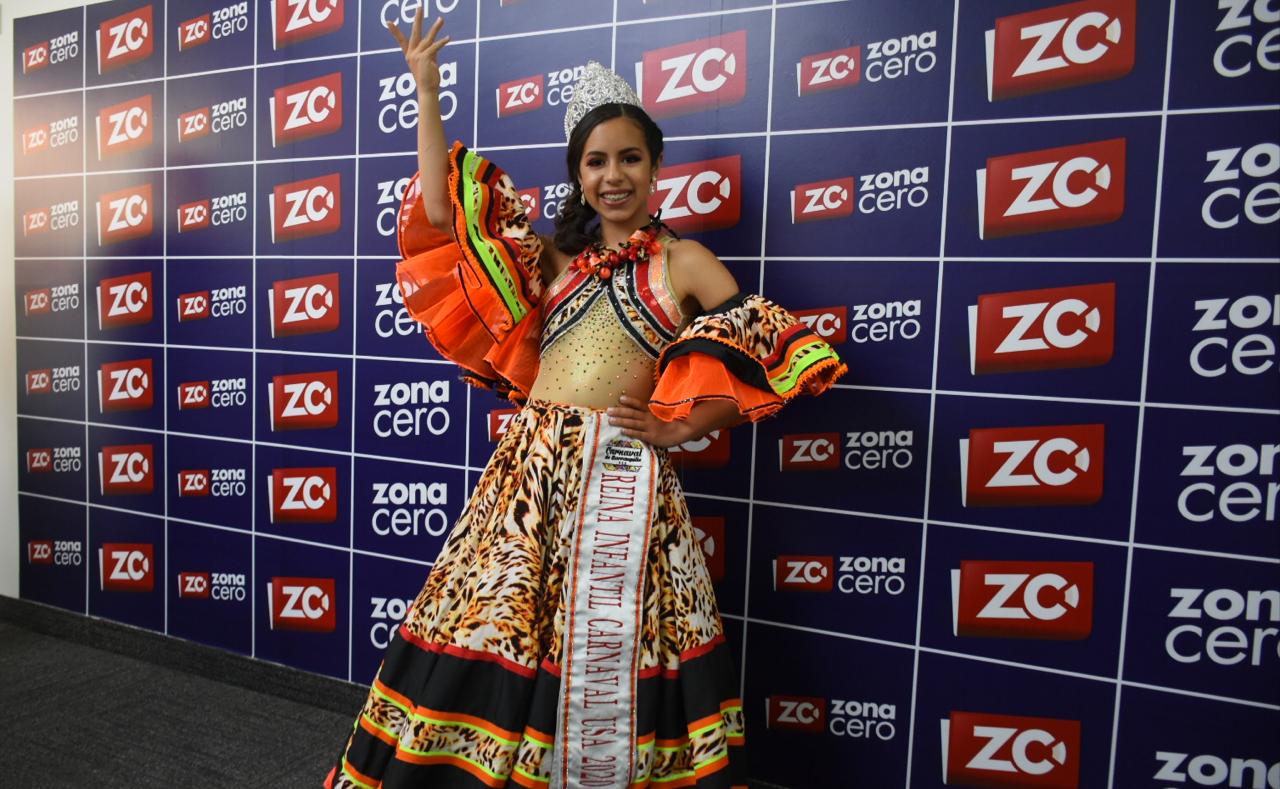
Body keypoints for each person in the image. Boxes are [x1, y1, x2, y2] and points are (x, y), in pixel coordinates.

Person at [326, 11, 844, 789]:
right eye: (597, 161)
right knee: (498, 628)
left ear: (656, 164)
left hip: (625, 486)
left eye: (630, 157)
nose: (615, 176)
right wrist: (427, 92)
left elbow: (766, 359)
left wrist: (677, 427)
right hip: (527, 480)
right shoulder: (552, 257)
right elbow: (441, 214)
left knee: (622, 644)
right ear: (578, 174)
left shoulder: (687, 261)